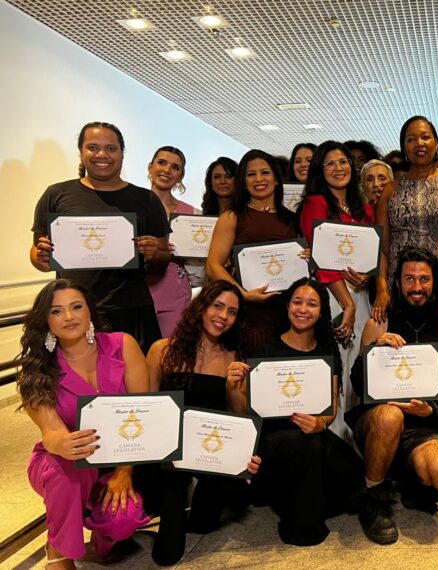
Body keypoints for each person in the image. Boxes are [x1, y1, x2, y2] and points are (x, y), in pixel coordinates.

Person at [18, 280, 151, 567]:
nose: (69, 317)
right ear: (45, 320)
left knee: (122, 519)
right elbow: (51, 432)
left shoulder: (122, 345)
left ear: (89, 310)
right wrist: (62, 444)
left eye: (76, 307)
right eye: (56, 311)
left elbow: (145, 414)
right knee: (66, 474)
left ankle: (99, 532)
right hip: (61, 462)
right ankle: (58, 553)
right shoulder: (38, 367)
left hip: (116, 460)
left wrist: (124, 471)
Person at [227, 278, 363, 546]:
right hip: (273, 438)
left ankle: (293, 498)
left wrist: (320, 424)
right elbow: (243, 411)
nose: (303, 309)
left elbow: (331, 410)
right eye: (297, 302)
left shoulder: (327, 353)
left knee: (353, 471)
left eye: (312, 304)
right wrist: (232, 388)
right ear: (287, 306)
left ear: (321, 311)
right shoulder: (265, 349)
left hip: (311, 430)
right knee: (305, 445)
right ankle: (304, 528)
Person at [348, 246, 438, 544]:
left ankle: (407, 478)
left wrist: (432, 411)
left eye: (424, 279)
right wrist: (373, 352)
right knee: (390, 415)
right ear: (397, 283)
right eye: (409, 279)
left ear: (435, 283)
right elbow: (357, 385)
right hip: (378, 420)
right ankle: (372, 498)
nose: (416, 287)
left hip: (422, 426)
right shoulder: (378, 324)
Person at [144, 280, 260, 565]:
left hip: (210, 449)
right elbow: (148, 407)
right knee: (172, 477)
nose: (223, 316)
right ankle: (169, 529)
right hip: (168, 448)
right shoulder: (162, 350)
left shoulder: (235, 358)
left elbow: (239, 416)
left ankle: (200, 504)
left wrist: (234, 387)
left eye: (232, 312)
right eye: (217, 306)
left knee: (213, 516)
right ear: (201, 307)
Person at [30, 122, 170, 353]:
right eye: (93, 147)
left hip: (131, 309)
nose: (102, 154)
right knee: (79, 383)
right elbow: (37, 256)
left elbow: (163, 258)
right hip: (73, 312)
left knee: (136, 384)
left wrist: (155, 253)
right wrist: (40, 256)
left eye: (111, 148)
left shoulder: (147, 200)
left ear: (122, 154)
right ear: (81, 152)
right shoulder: (56, 194)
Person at [299, 141, 375, 438]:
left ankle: (358, 442)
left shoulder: (363, 206)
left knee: (358, 366)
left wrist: (368, 277)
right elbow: (322, 259)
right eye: (330, 163)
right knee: (337, 372)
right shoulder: (315, 203)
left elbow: (372, 252)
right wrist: (348, 305)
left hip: (361, 297)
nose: (338, 168)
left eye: (343, 162)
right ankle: (336, 440)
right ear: (320, 170)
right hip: (333, 297)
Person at [373, 116, 438, 326]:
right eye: (411, 139)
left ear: (436, 143)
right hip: (402, 287)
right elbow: (382, 248)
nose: (419, 143)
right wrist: (382, 288)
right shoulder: (390, 190)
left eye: (425, 137)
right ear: (404, 148)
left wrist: (432, 279)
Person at [206, 149, 301, 346]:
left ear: (276, 178)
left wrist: (306, 256)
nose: (259, 179)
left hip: (288, 312)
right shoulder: (231, 218)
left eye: (265, 172)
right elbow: (213, 266)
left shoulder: (293, 219)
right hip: (249, 314)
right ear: (244, 181)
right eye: (251, 174)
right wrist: (243, 294)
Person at [145, 146, 200, 338]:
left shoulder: (192, 215)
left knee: (170, 355)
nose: (167, 170)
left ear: (180, 176)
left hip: (175, 292)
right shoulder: (131, 206)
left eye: (175, 167)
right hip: (136, 289)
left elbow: (199, 264)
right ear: (150, 167)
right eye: (162, 163)